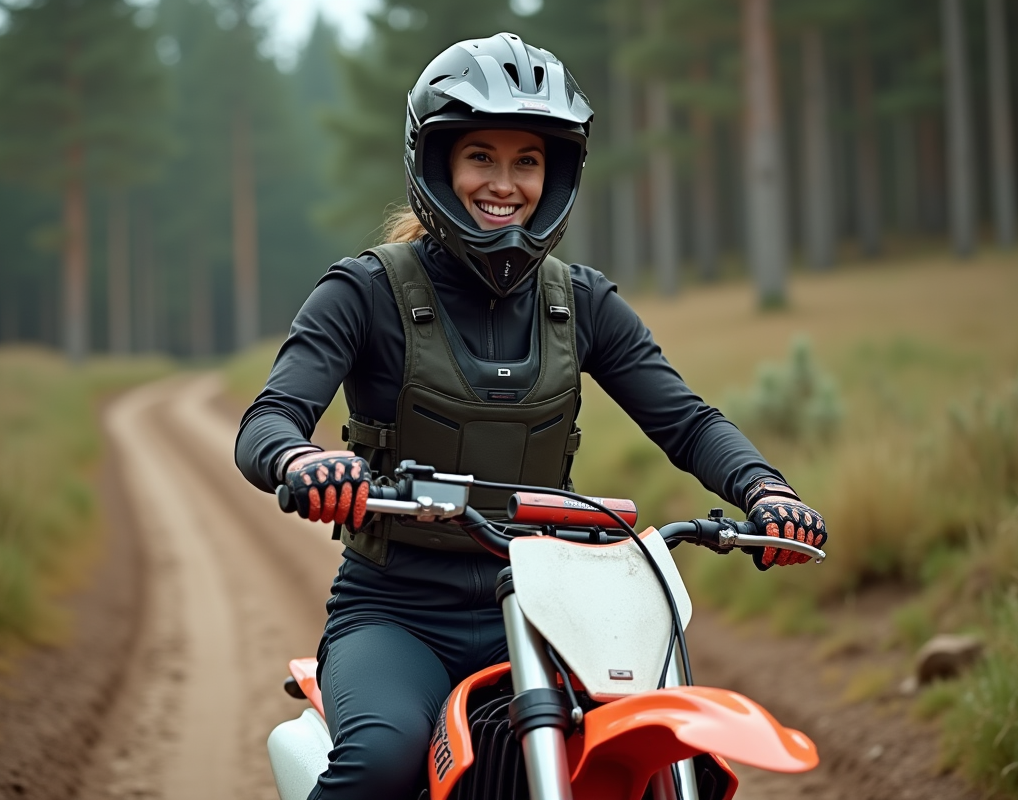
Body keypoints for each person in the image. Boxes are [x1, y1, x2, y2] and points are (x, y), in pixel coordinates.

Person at [235, 31, 827, 800]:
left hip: (553, 610)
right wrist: (305, 461)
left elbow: (686, 421)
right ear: (437, 163)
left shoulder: (582, 301)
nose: (504, 183)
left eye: (527, 161)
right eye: (480, 156)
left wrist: (766, 490)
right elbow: (268, 421)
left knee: (665, 760)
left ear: (556, 175)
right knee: (382, 759)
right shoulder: (364, 293)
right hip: (397, 615)